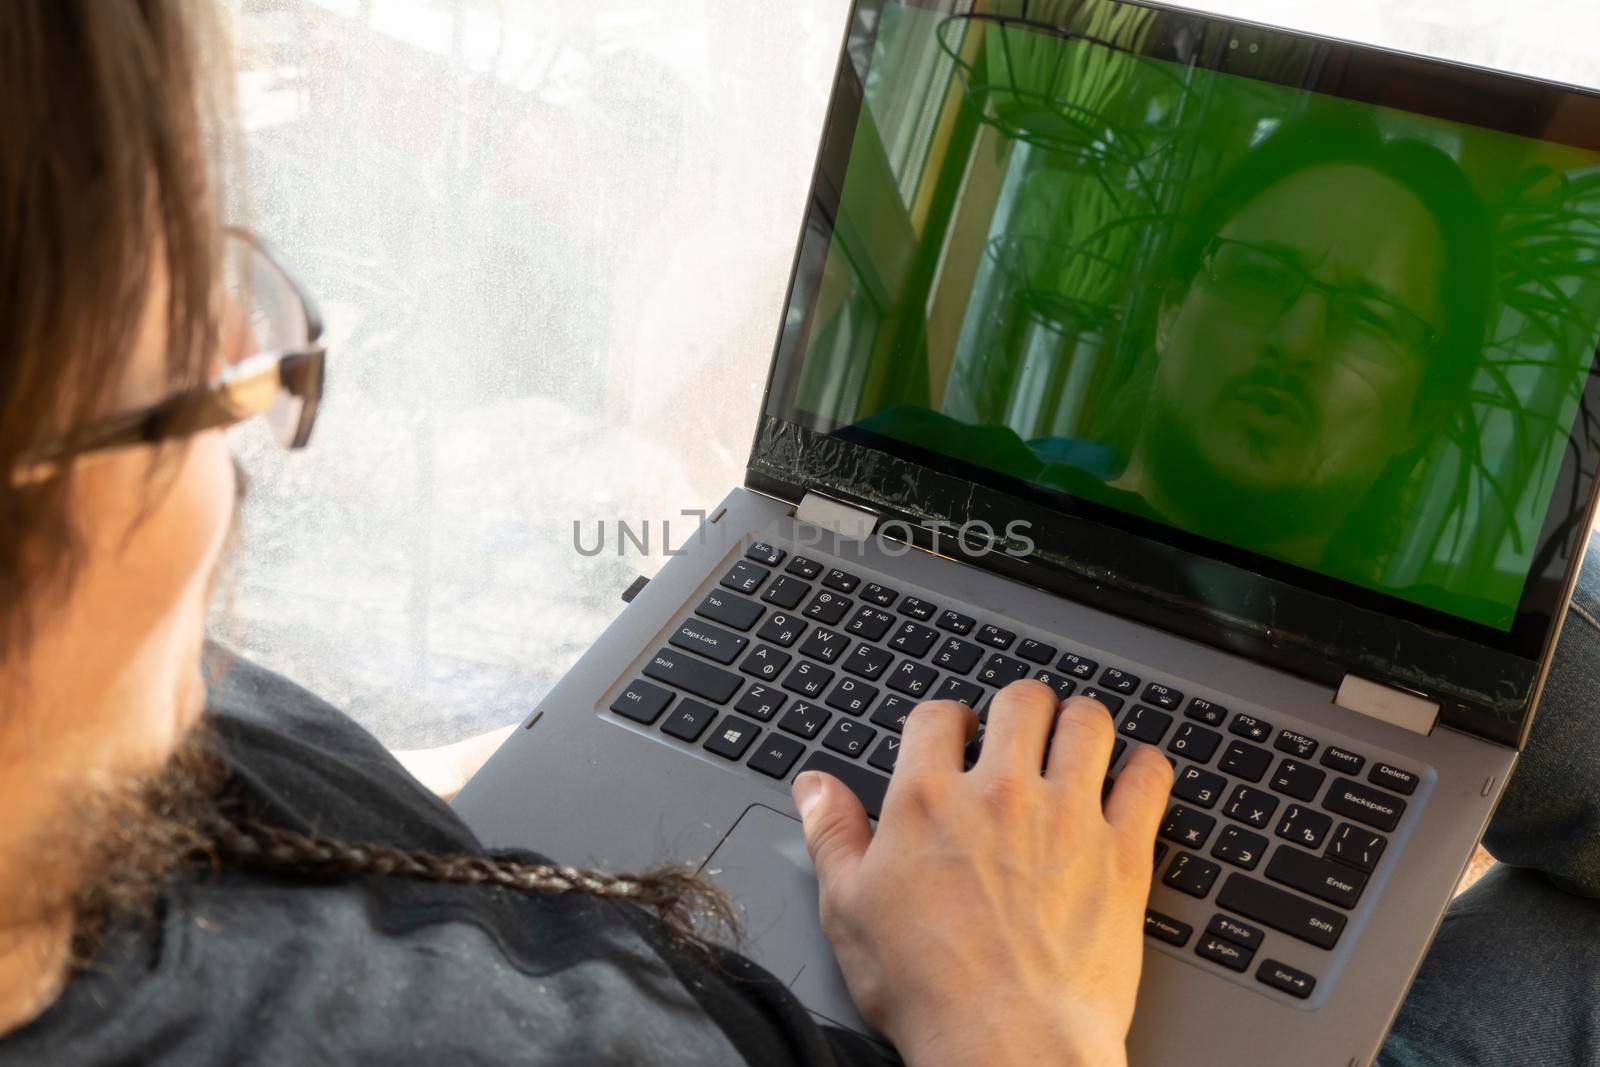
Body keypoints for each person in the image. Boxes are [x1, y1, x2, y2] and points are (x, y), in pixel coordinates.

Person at [0, 5, 1596, 1066]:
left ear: (1426, 402)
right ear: (1170, 310)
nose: (241, 346)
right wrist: (1017, 1027)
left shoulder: (126, 756)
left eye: (1367, 318)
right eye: (186, 375)